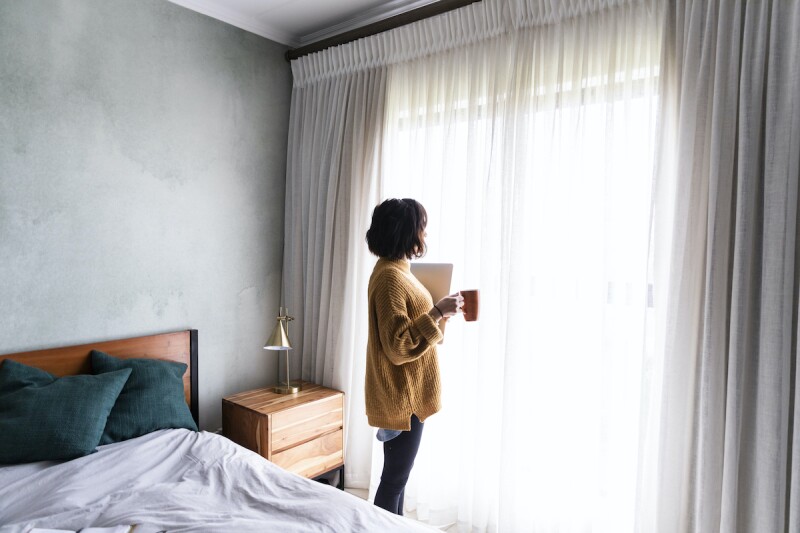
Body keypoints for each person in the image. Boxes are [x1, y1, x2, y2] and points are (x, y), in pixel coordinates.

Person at [364, 198, 463, 515]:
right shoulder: (391, 278)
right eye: (422, 227)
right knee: (394, 479)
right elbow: (397, 345)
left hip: (408, 390)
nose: (425, 233)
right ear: (406, 233)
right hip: (401, 395)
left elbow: (407, 323)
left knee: (398, 479)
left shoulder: (398, 271)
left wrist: (437, 313)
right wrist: (436, 311)